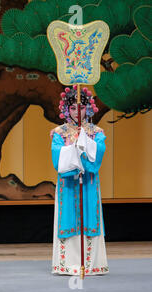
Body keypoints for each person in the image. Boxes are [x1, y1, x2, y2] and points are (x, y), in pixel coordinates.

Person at [50, 85, 109, 276]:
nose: (77, 112)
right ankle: (67, 264)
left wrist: (85, 145)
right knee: (68, 216)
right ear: (66, 110)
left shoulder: (96, 131)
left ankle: (92, 264)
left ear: (88, 109)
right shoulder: (59, 132)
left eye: (81, 107)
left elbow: (98, 152)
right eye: (73, 108)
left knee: (89, 214)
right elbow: (57, 156)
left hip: (89, 182)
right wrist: (75, 150)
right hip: (68, 184)